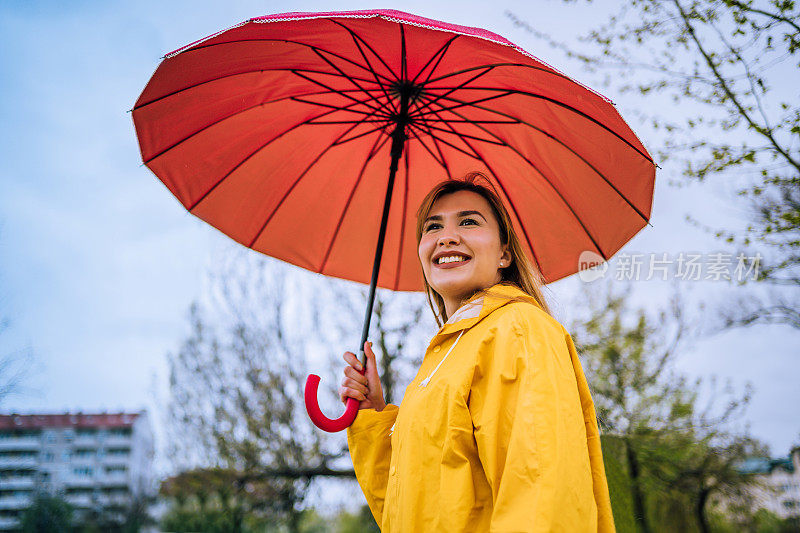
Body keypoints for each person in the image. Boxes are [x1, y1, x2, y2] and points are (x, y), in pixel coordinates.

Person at [339, 172, 615, 532]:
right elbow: (412, 510)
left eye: (468, 221)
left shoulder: (518, 328)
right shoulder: (444, 358)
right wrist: (373, 414)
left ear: (504, 254)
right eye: (432, 227)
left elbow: (541, 494)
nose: (446, 237)